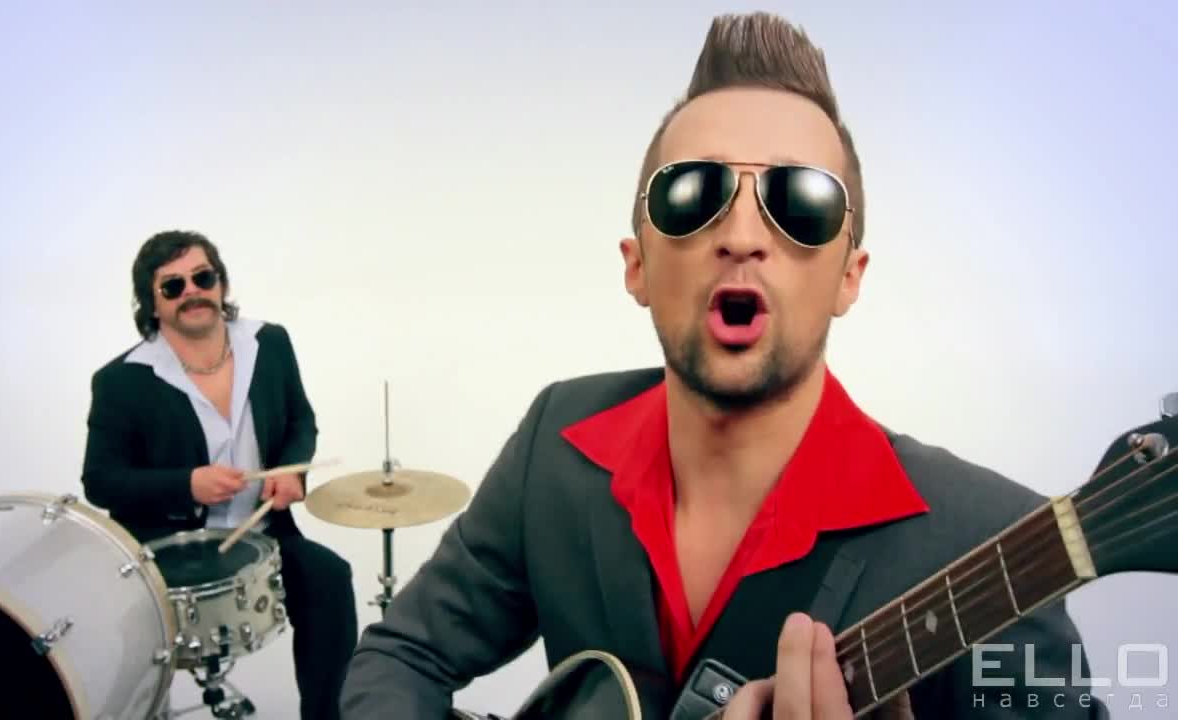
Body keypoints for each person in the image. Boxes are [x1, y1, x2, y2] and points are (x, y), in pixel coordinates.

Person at [339, 11, 1109, 720]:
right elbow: (402, 655)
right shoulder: (555, 441)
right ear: (637, 265)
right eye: (693, 194)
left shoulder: (996, 543)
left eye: (800, 202)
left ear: (849, 277)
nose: (742, 235)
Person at [80, 230, 358, 720]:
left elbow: (300, 420)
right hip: (169, 550)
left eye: (202, 278)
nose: (192, 292)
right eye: (173, 286)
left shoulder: (268, 343)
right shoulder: (121, 380)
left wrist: (292, 473)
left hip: (264, 535)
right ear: (152, 302)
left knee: (329, 578)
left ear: (221, 283)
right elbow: (100, 480)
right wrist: (187, 484)